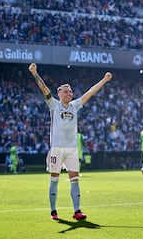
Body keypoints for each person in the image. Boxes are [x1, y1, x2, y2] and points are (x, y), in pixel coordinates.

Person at [28, 63, 112, 220]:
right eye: (66, 91)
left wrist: (104, 80)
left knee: (75, 179)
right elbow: (44, 88)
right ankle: (53, 211)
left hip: (72, 149)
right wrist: (34, 73)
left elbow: (90, 92)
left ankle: (77, 211)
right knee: (54, 179)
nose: (69, 93)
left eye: (71, 91)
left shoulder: (75, 106)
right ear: (59, 94)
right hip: (57, 149)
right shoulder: (54, 105)